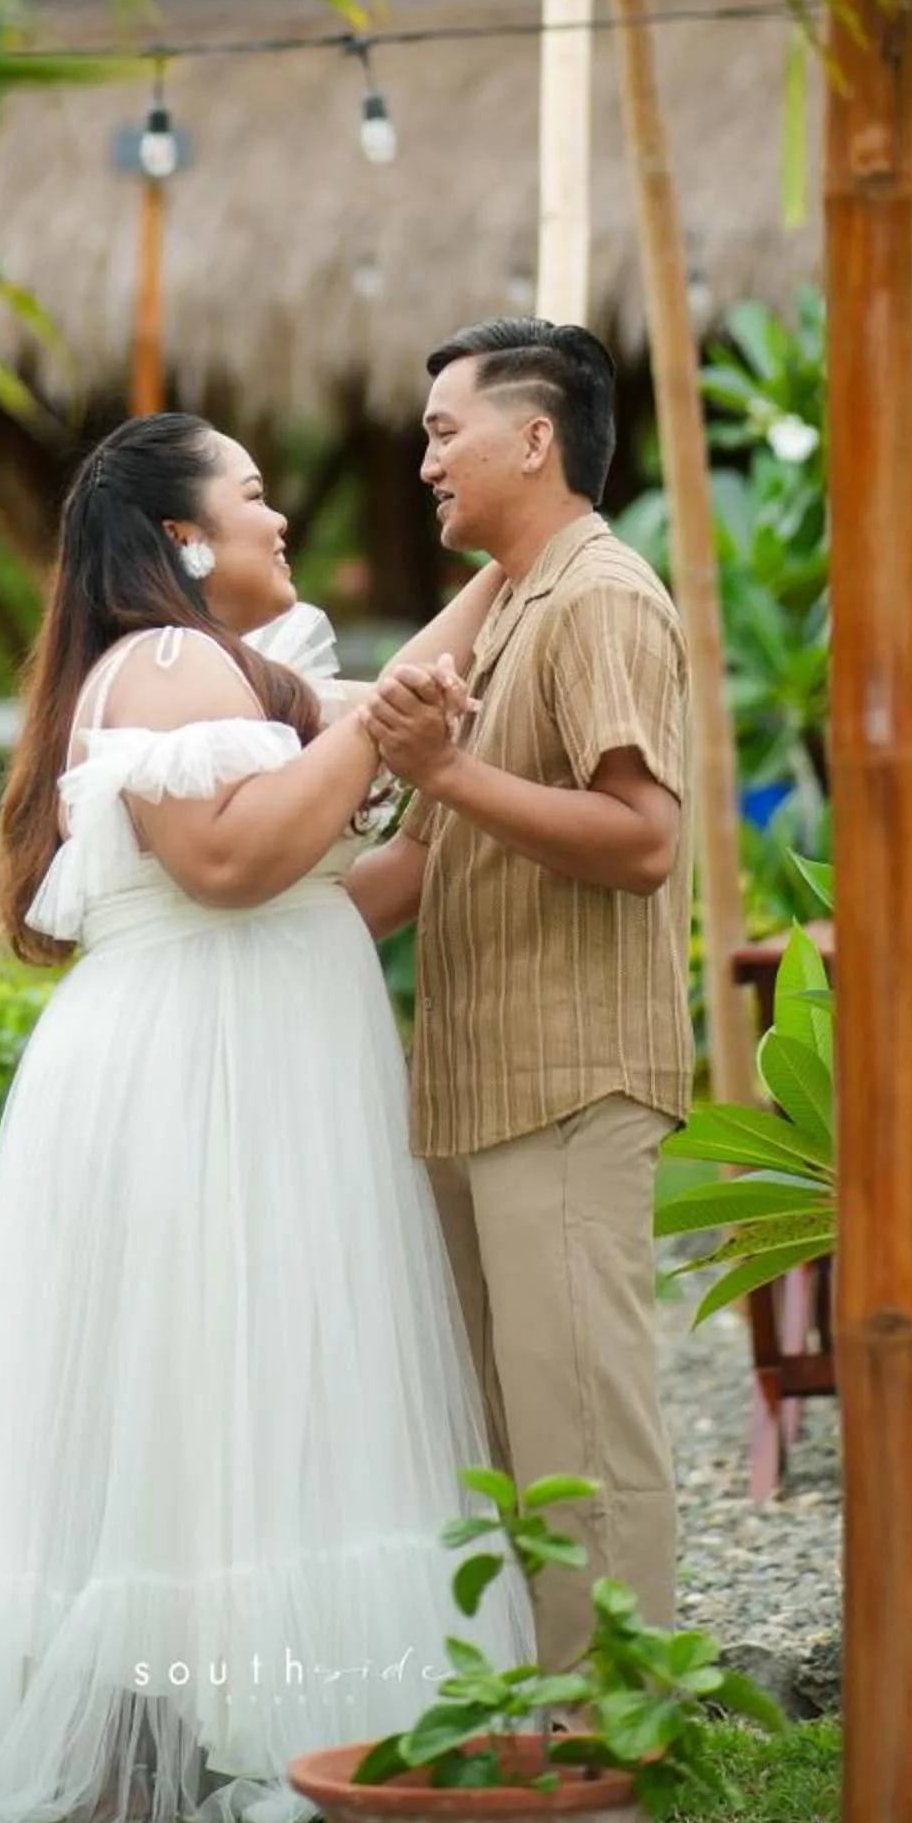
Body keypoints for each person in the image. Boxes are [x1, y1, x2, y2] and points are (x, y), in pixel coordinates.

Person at [0, 410, 530, 1823]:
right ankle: (157, 1735)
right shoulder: (166, 665)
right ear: (181, 539)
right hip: (203, 1077)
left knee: (248, 1381)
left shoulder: (227, 673)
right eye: (257, 495)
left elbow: (325, 881)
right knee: (210, 1380)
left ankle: (232, 1716)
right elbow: (229, 864)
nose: (281, 522)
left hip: (255, 1053)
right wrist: (377, 754)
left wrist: (507, 603)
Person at [343, 319, 691, 1665]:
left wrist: (442, 776)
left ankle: (620, 1734)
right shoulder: (505, 609)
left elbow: (644, 838)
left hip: (567, 1081)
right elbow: (423, 861)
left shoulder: (600, 596)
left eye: (444, 431)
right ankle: (540, 1720)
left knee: (580, 1434)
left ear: (534, 440)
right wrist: (226, 939)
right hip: (478, 1087)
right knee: (505, 1436)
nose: (425, 460)